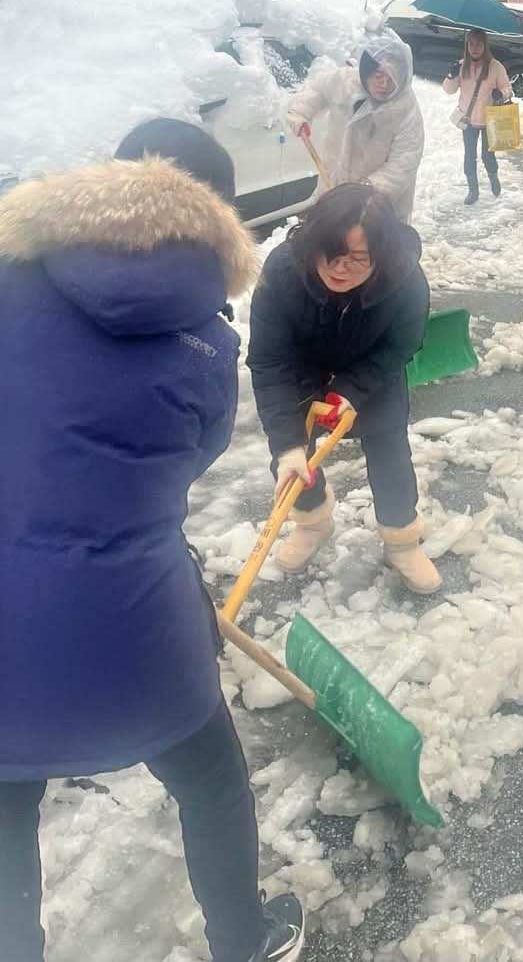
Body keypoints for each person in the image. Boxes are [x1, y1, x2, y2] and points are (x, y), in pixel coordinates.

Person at [0, 118, 305, 962]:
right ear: (217, 215)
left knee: (3, 809)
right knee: (208, 780)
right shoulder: (209, 344)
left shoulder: (6, 275)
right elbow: (188, 463)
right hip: (134, 621)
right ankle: (242, 942)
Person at [247, 183, 439, 592]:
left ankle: (401, 539)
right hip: (301, 371)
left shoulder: (406, 280)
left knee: (390, 456)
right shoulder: (283, 271)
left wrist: (352, 388)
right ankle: (313, 522)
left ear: (380, 256)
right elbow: (268, 359)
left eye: (358, 258)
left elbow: (402, 345)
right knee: (291, 462)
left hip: (373, 372)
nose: (338, 268)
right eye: (330, 252)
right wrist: (288, 446)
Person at [287, 31, 424, 222]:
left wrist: (365, 190)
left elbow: (404, 162)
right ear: (366, 71)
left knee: (370, 248)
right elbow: (317, 90)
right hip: (332, 183)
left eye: (392, 78)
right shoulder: (345, 82)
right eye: (378, 75)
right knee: (329, 241)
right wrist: (301, 113)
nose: (384, 84)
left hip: (379, 203)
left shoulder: (405, 108)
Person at [443, 28, 511, 206]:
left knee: (488, 156)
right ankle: (473, 191)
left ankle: (493, 178)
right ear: (467, 46)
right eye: (471, 44)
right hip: (468, 120)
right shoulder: (461, 65)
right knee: (469, 156)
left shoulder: (495, 66)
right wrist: (451, 75)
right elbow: (448, 90)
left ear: (485, 46)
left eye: (479, 44)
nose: (475, 48)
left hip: (490, 120)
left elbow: (508, 88)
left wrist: (500, 94)